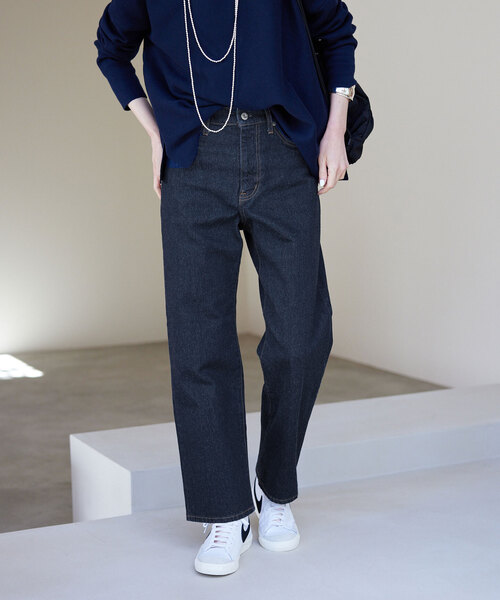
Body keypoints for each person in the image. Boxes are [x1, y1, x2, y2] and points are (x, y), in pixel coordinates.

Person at [94, 0, 357, 576]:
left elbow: (336, 32)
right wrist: (155, 131)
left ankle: (274, 487)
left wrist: (335, 129)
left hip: (284, 150)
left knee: (301, 336)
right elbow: (111, 48)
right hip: (193, 159)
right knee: (200, 344)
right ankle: (225, 512)